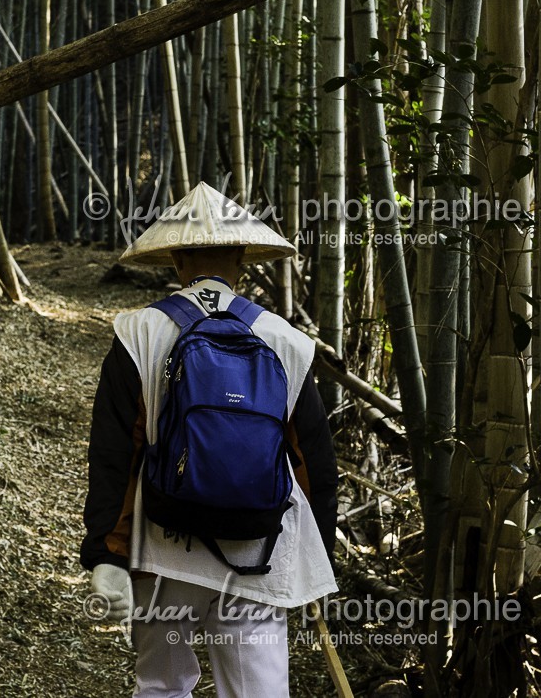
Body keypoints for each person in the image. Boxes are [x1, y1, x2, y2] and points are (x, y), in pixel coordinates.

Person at [81, 182, 339, 698]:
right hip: (258, 550)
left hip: (162, 545)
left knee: (161, 685)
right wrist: (320, 558)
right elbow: (313, 465)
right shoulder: (286, 340)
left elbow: (117, 454)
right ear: (242, 259)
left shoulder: (138, 332)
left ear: (177, 259)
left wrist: (106, 554)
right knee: (256, 690)